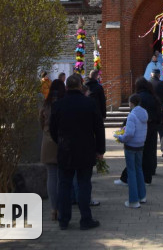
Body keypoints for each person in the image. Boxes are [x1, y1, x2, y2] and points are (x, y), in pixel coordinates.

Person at [50, 73, 105, 231]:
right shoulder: (89, 103)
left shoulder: (58, 105)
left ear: (66, 87)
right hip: (85, 149)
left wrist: (60, 141)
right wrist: (100, 149)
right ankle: (85, 219)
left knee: (64, 185)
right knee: (83, 185)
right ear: (81, 86)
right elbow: (98, 127)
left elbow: (53, 129)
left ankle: (63, 219)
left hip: (65, 149)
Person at [115, 77, 161, 185]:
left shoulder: (139, 98)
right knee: (149, 153)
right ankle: (147, 178)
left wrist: (124, 126)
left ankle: (125, 178)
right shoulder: (153, 97)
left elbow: (132, 114)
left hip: (140, 129)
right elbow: (159, 113)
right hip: (153, 127)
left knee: (135, 154)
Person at [115, 94, 148, 209]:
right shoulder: (144, 113)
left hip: (131, 145)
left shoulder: (132, 115)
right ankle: (142, 195)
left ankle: (133, 200)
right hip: (140, 145)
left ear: (131, 103)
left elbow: (129, 134)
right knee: (139, 170)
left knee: (132, 172)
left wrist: (119, 137)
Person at [40, 78, 66, 220]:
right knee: (63, 177)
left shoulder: (46, 104)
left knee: (51, 176)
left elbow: (40, 122)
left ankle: (53, 209)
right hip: (62, 141)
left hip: (48, 142)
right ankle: (62, 208)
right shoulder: (64, 104)